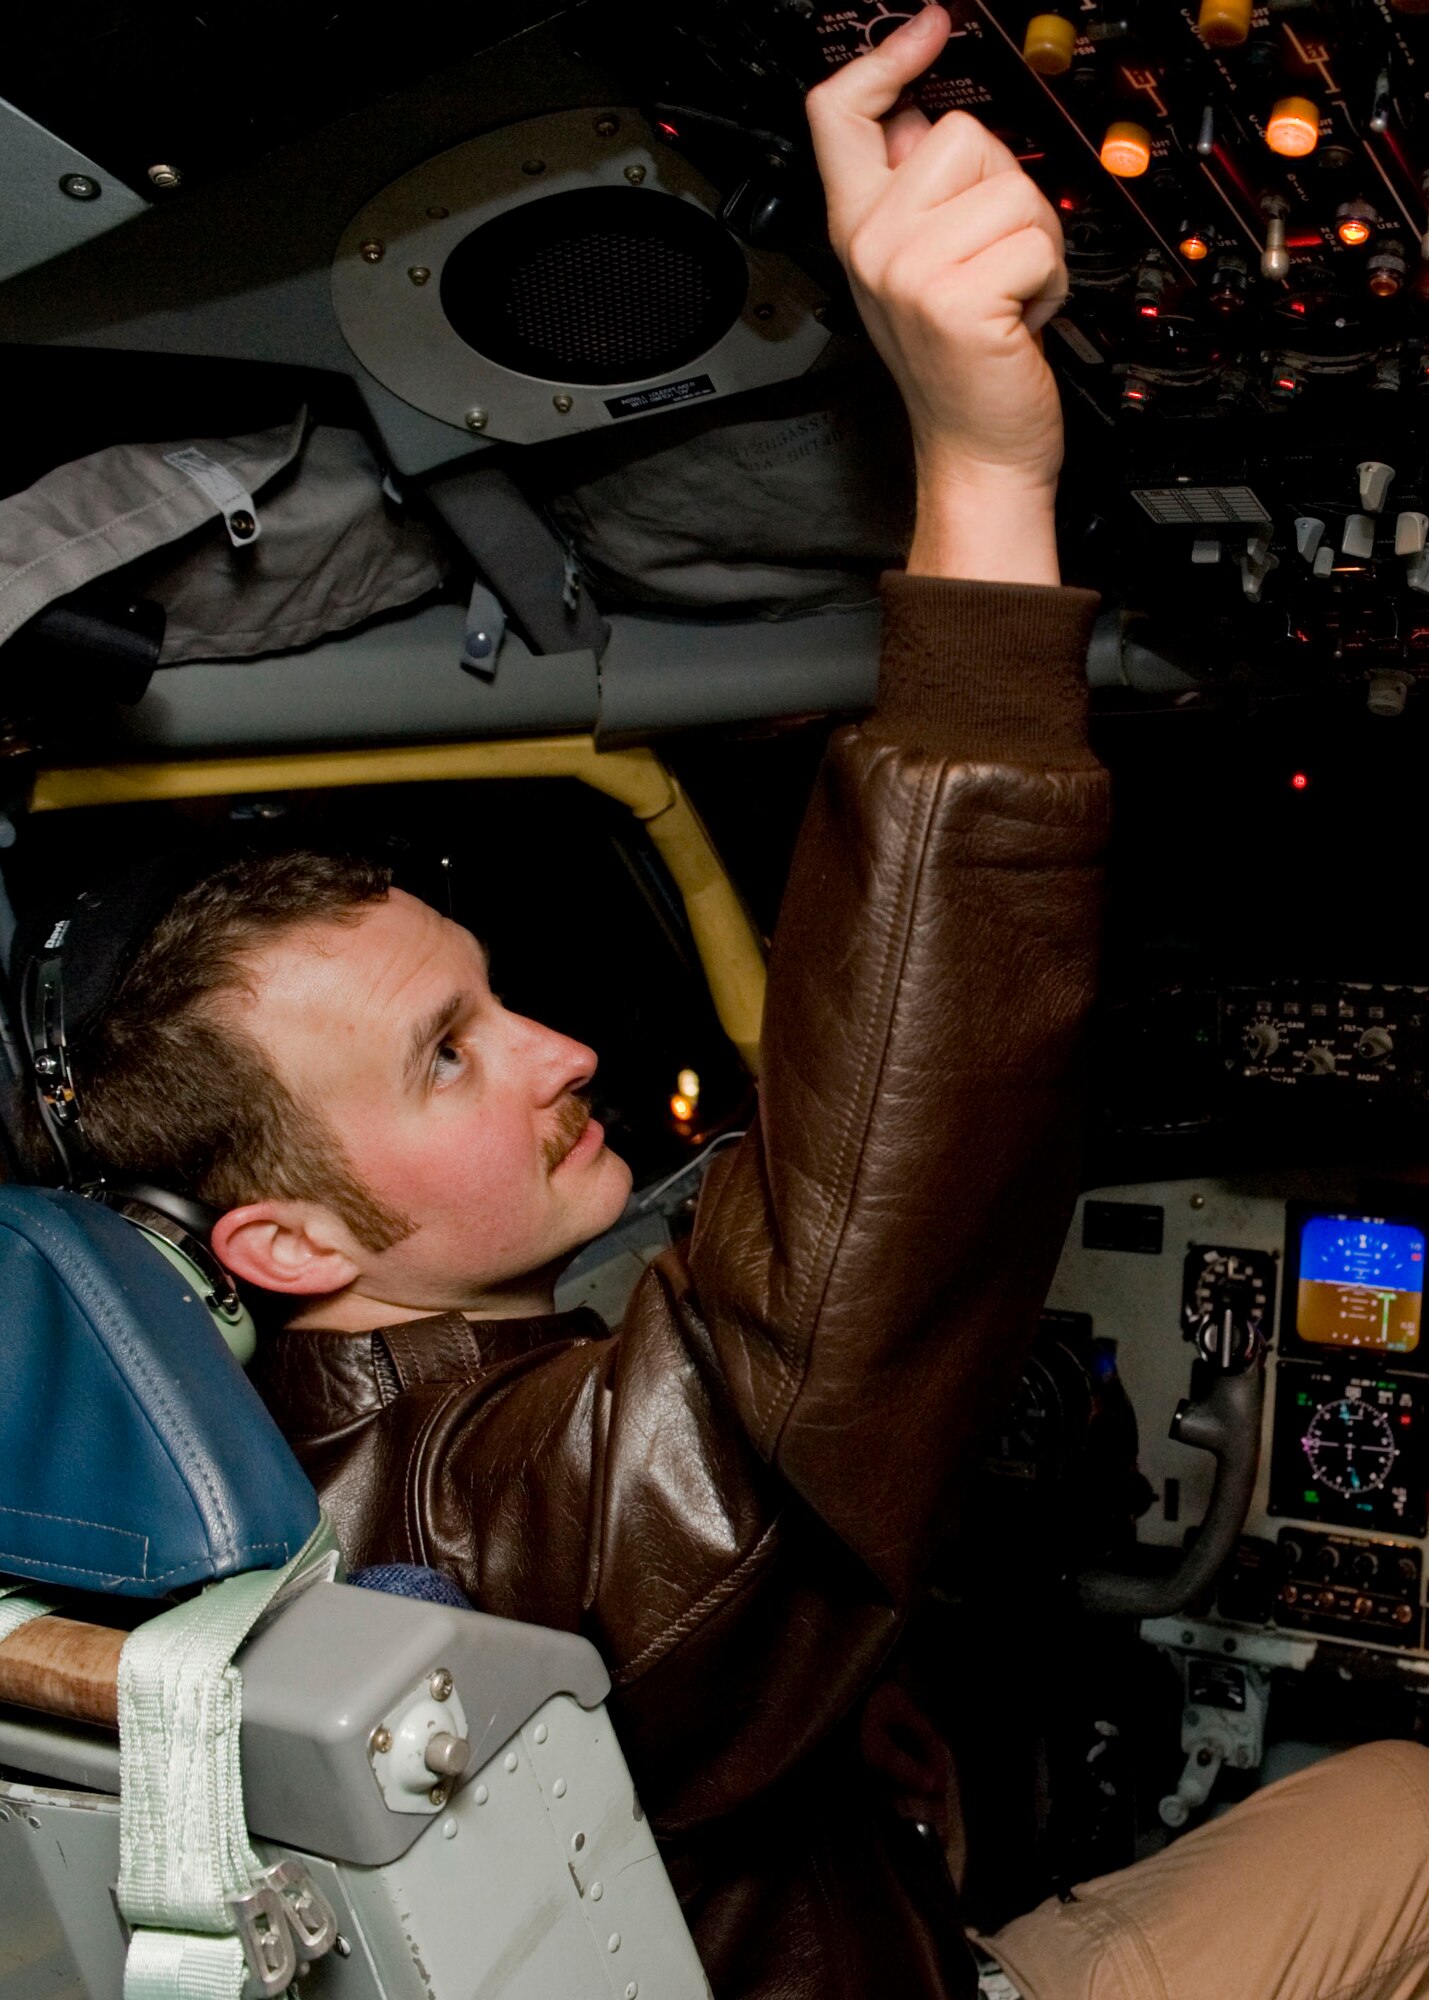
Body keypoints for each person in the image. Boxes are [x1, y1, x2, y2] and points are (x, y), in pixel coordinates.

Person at [30, 10, 1429, 1998]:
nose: (563, 1047)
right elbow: (855, 1264)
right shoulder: (484, 1527)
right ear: (283, 1236)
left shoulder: (270, 1485)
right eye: (451, 1051)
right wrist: (975, 463)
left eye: (494, 996)